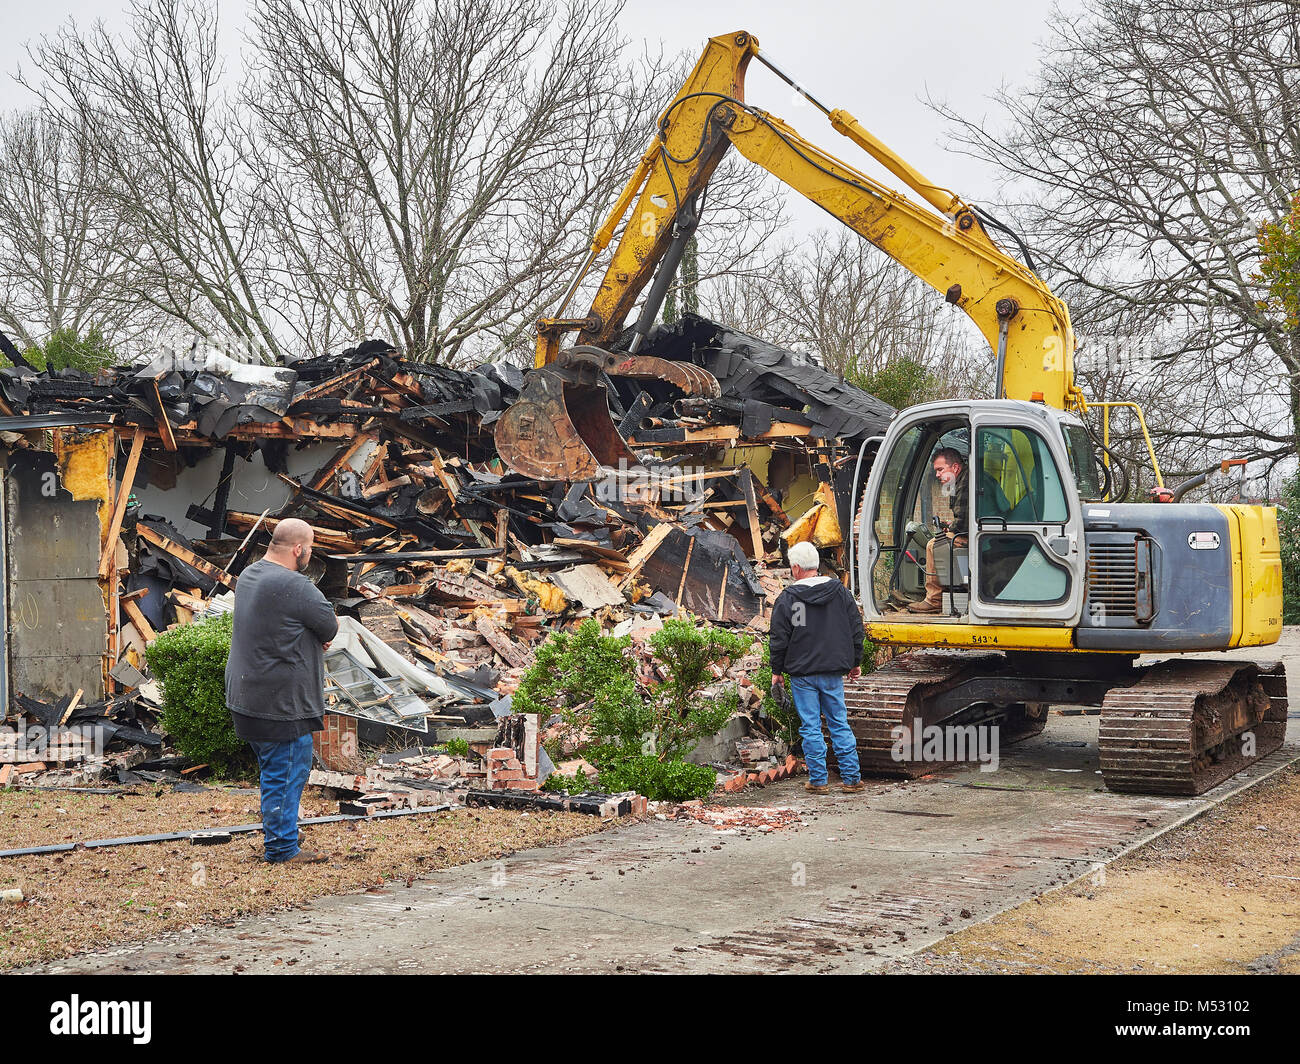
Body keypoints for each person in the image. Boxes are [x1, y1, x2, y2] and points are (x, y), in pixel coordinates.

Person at [225, 518, 339, 864]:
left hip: (246, 695)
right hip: (279, 702)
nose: (311, 553)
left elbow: (279, 626)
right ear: (298, 549)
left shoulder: (251, 575)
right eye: (311, 547)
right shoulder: (294, 585)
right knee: (286, 771)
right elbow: (329, 624)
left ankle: (282, 826)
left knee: (274, 770)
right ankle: (282, 847)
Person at [769, 541, 865, 795]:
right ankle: (852, 780)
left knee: (810, 727)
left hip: (803, 675)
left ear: (797, 567)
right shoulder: (840, 592)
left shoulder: (788, 598)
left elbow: (779, 638)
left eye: (791, 566)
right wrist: (856, 661)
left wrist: (776, 671)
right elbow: (856, 627)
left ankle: (819, 781)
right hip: (833, 672)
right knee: (839, 724)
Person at [908, 447, 969, 614]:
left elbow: (963, 524)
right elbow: (966, 516)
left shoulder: (967, 482)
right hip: (980, 531)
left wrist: (951, 527)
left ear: (955, 467)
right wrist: (951, 524)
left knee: (933, 544)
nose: (937, 475)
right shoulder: (963, 479)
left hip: (979, 535)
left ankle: (934, 600)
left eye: (940, 469)